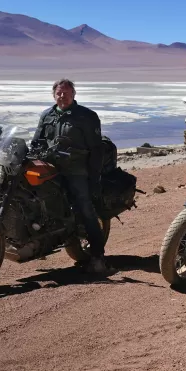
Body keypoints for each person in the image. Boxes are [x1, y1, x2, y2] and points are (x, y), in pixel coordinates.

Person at [31, 78, 114, 276]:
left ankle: (97, 257)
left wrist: (93, 179)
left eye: (66, 93)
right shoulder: (47, 115)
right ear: (54, 94)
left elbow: (96, 149)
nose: (62, 96)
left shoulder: (86, 116)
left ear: (73, 95)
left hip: (76, 170)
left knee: (85, 208)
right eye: (59, 93)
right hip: (50, 167)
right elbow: (37, 141)